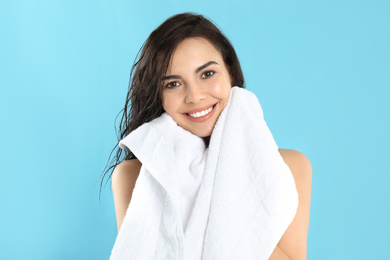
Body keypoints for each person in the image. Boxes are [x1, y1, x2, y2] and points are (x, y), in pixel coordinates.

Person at [102, 12, 312, 260]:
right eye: (173, 84)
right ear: (159, 95)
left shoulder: (288, 166)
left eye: (207, 74)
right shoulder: (134, 175)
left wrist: (230, 178)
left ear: (230, 72)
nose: (195, 96)